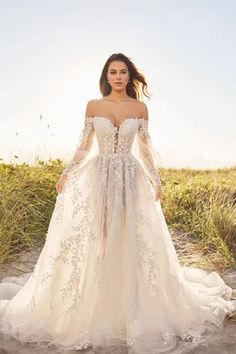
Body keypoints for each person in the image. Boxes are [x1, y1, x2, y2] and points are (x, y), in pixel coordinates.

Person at [0, 52, 235, 354]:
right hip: (98, 176)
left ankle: (129, 300)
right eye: (113, 72)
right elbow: (84, 146)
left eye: (123, 72)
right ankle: (98, 297)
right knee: (99, 233)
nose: (119, 77)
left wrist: (155, 180)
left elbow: (146, 148)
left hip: (129, 176)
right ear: (106, 76)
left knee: (129, 235)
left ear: (130, 75)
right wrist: (66, 174)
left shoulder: (140, 108)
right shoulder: (93, 106)